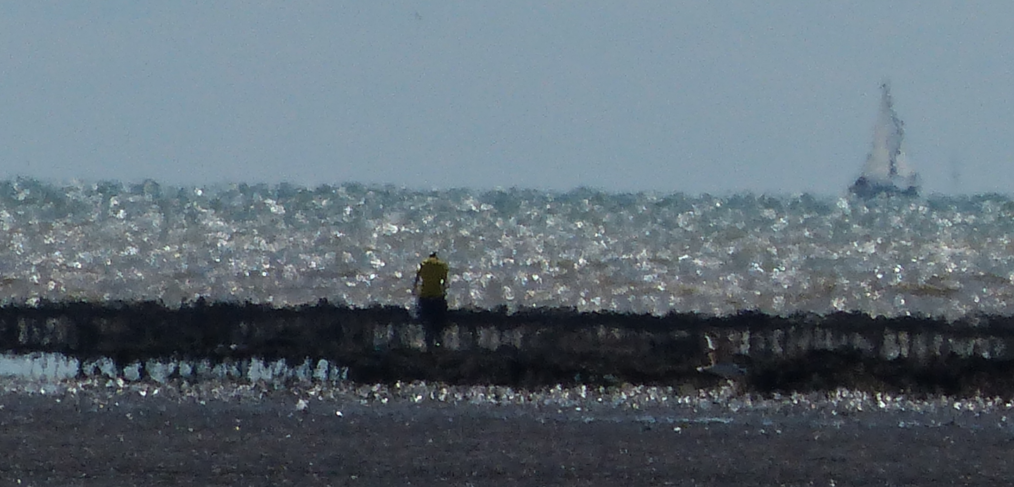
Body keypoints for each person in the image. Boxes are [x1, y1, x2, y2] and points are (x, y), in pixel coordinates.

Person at [413, 252, 449, 350]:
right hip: (437, 296)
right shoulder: (442, 265)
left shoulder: (424, 264)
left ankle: (428, 345)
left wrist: (415, 290)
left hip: (425, 296)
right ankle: (440, 344)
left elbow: (417, 279)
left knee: (426, 321)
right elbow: (445, 283)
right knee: (438, 322)